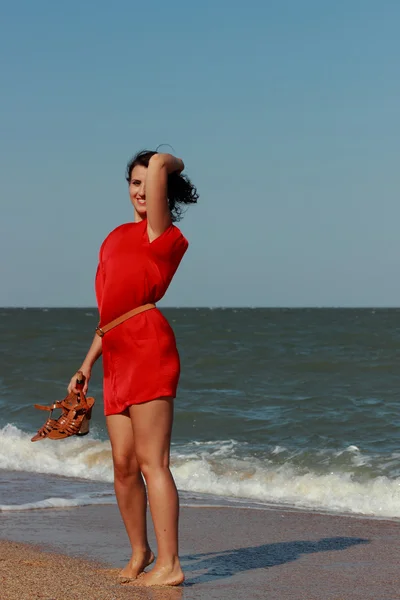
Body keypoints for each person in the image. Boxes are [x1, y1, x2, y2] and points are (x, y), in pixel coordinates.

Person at [68, 150, 198, 587]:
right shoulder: (113, 237)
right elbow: (111, 314)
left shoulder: (162, 234)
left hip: (148, 347)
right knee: (123, 464)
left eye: (148, 182)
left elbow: (162, 161)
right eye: (133, 182)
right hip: (117, 351)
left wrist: (167, 166)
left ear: (162, 189)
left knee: (151, 462)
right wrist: (86, 363)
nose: (140, 190)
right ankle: (141, 552)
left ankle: (171, 564)